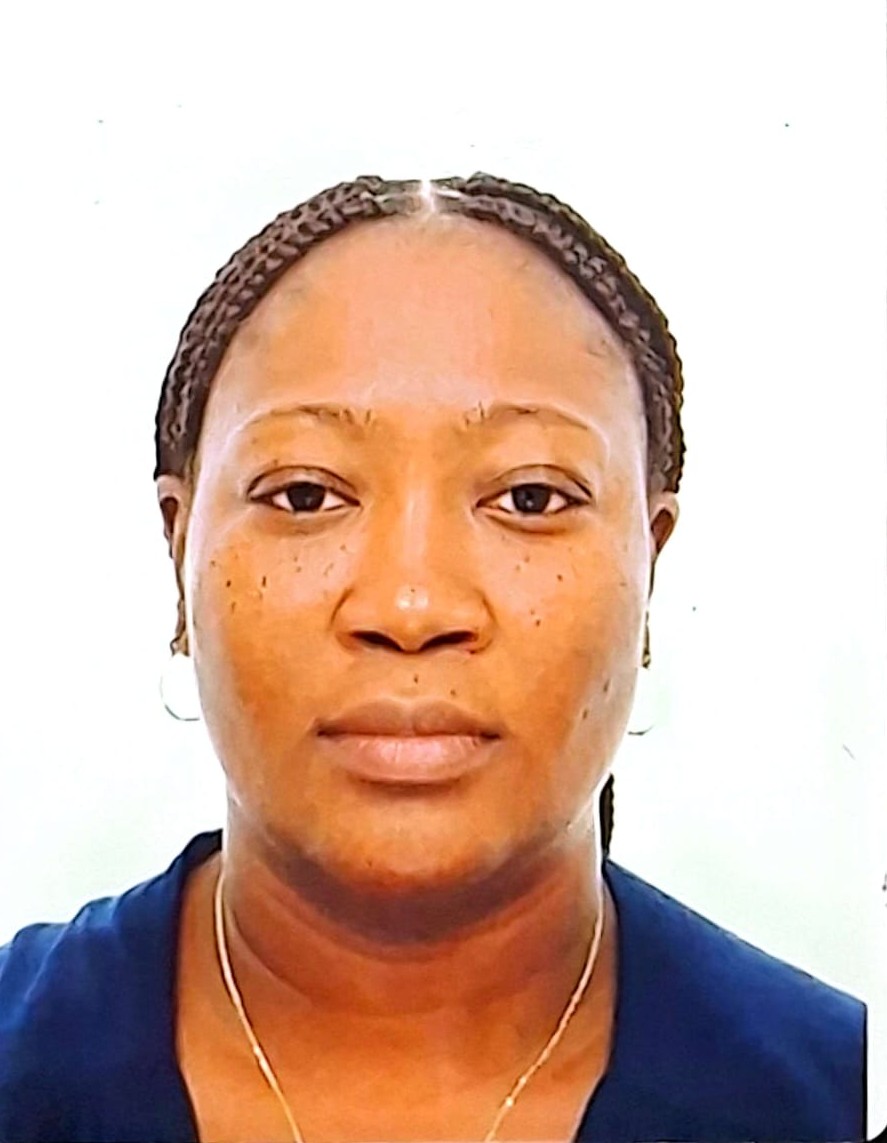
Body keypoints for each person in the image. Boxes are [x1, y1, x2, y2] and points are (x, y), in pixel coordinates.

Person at [0, 174, 865, 1143]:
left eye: (529, 498)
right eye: (304, 495)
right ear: (180, 550)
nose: (410, 607)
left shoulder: (834, 1096)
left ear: (648, 562)